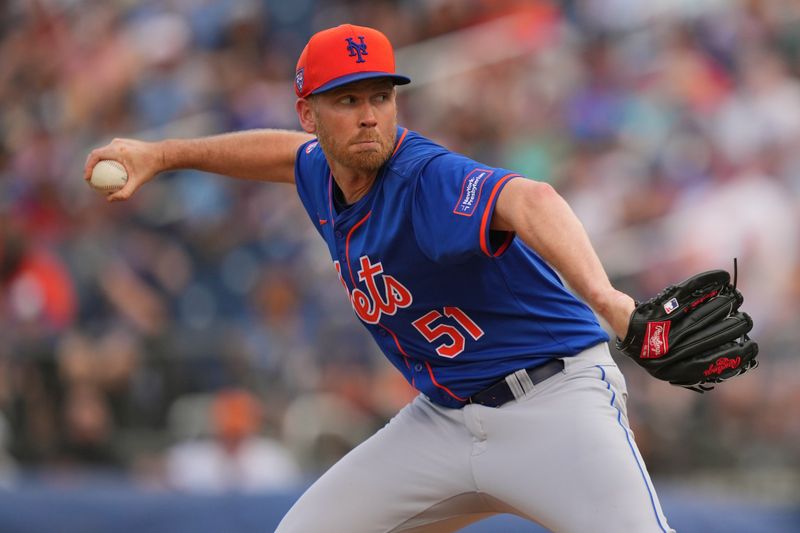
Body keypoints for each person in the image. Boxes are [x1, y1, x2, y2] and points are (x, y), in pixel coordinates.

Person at [86, 23, 673, 533]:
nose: (369, 116)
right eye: (346, 100)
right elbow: (281, 156)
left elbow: (531, 199)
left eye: (380, 96)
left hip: (551, 405)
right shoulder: (323, 170)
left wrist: (609, 299)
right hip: (442, 421)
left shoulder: (425, 177)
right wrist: (162, 155)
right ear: (309, 114)